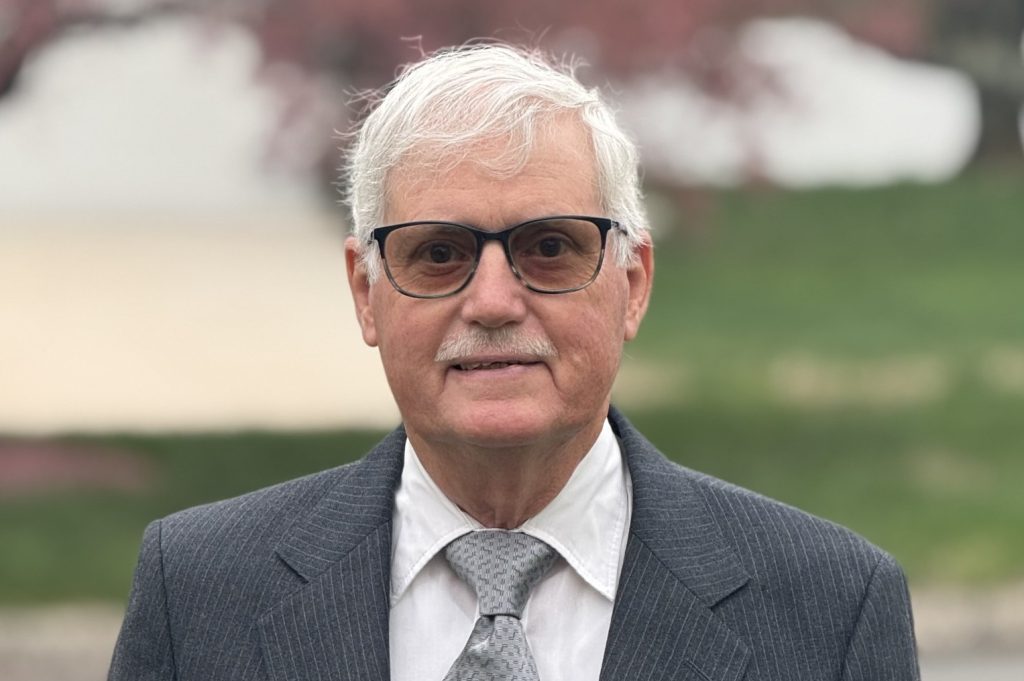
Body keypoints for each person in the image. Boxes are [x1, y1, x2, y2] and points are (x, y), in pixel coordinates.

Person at [109, 43, 919, 681]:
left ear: (633, 283)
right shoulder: (200, 591)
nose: (493, 301)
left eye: (550, 247)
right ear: (366, 293)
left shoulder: (831, 608)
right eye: (439, 254)